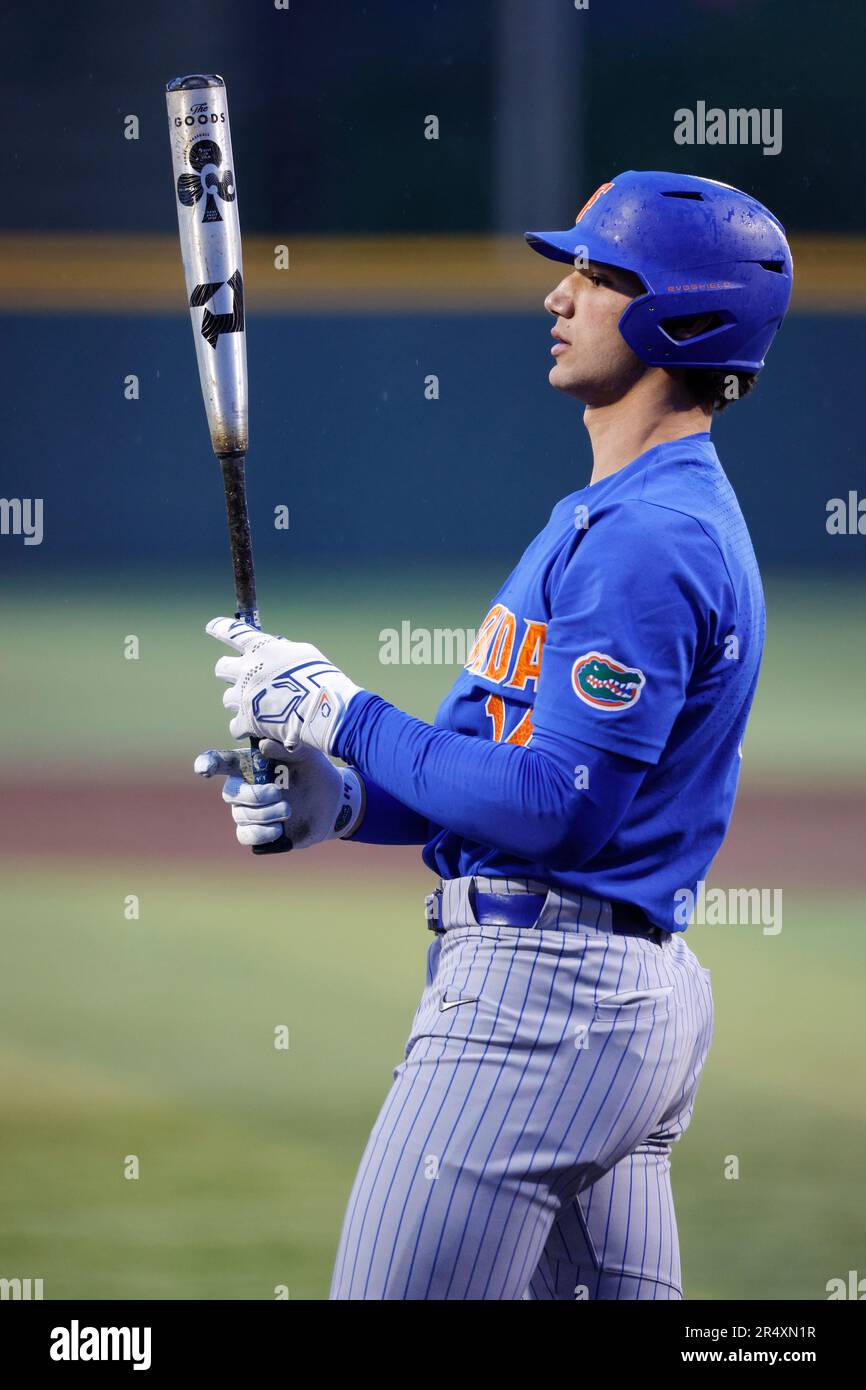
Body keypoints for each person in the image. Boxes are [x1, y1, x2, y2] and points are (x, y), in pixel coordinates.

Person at [195, 171, 793, 1300]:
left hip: (541, 1007)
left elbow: (557, 805)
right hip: (609, 992)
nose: (557, 297)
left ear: (682, 316)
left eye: (596, 274)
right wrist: (351, 800)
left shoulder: (646, 538)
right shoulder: (627, 513)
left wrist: (342, 710)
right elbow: (517, 780)